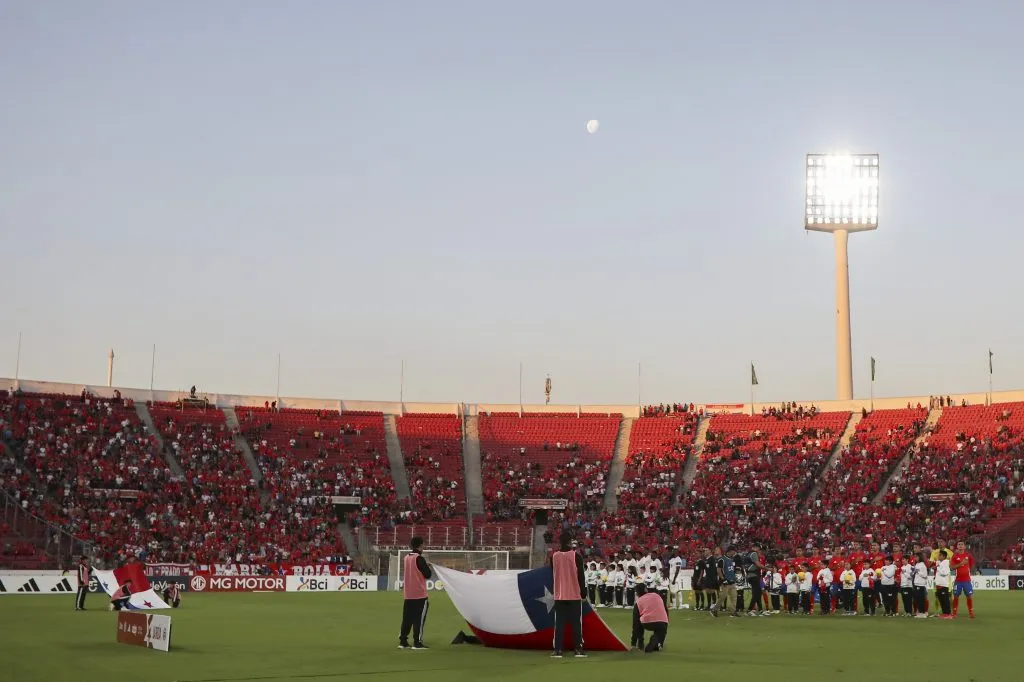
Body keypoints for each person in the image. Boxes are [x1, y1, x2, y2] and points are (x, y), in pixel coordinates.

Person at [550, 531, 587, 659]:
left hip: (560, 594)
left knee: (559, 623)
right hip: (574, 594)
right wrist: (583, 592)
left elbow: (552, 574)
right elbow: (581, 576)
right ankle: (578, 649)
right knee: (576, 623)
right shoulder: (576, 556)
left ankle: (558, 650)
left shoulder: (554, 556)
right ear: (569, 542)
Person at [399, 536, 432, 650]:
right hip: (419, 594)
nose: (424, 547)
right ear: (420, 545)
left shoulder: (406, 557)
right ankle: (417, 642)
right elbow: (428, 574)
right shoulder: (419, 558)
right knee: (419, 619)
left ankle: (403, 641)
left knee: (407, 618)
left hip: (408, 594)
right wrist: (428, 567)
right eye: (423, 544)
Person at [630, 584, 669, 653]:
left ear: (637, 593)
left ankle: (640, 644)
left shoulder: (638, 602)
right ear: (646, 589)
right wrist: (666, 621)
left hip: (647, 622)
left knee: (639, 623)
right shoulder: (656, 595)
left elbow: (635, 624)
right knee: (661, 632)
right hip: (662, 621)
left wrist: (633, 643)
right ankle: (657, 642)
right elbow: (665, 609)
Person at [950, 540, 976, 619]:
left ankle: (971, 611)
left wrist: (967, 570)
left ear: (964, 546)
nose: (960, 546)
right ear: (957, 546)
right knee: (956, 596)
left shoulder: (969, 556)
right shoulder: (955, 556)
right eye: (959, 544)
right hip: (958, 581)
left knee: (969, 596)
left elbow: (972, 565)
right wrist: (961, 564)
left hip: (967, 581)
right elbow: (951, 568)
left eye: (962, 544)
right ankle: (954, 612)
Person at [934, 549, 953, 619]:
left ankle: (948, 614)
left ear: (944, 556)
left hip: (944, 585)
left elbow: (944, 573)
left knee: (945, 600)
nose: (938, 556)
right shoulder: (940, 563)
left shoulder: (946, 563)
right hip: (939, 584)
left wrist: (938, 567)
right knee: (941, 600)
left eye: (940, 555)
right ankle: (944, 613)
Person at [912, 552, 930, 619]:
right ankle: (920, 612)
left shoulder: (922, 565)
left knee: (921, 599)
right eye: (915, 557)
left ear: (920, 557)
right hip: (916, 584)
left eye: (916, 557)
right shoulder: (917, 564)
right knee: (917, 599)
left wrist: (917, 571)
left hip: (921, 584)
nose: (915, 558)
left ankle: (922, 613)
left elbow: (925, 575)